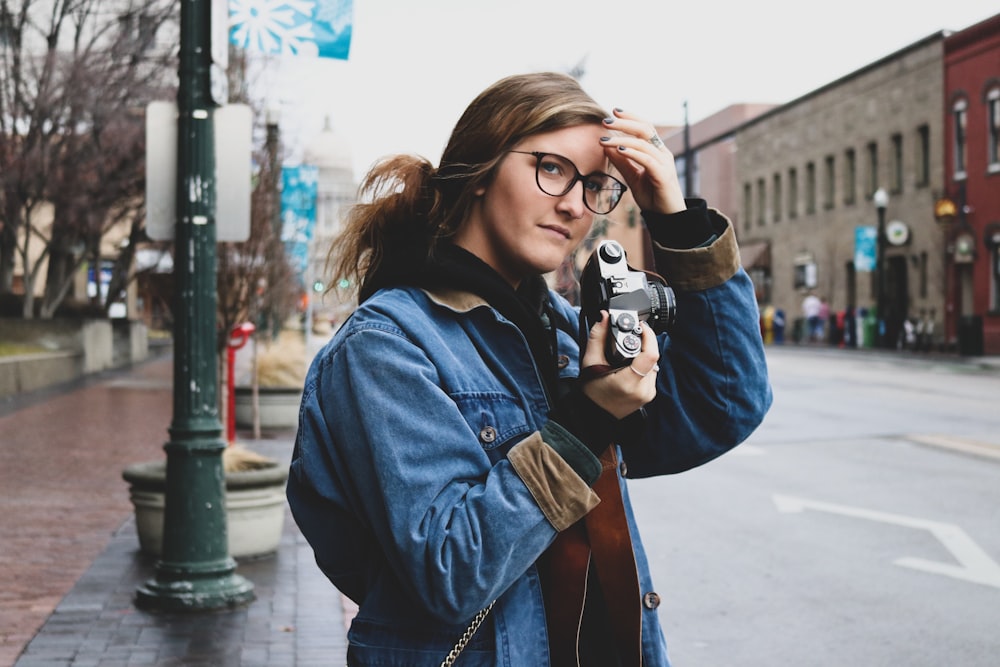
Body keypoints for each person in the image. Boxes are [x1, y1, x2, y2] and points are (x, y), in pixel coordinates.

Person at [287, 72, 772, 666]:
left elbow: (724, 407)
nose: (573, 204)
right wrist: (586, 424)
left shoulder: (563, 330)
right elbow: (450, 571)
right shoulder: (386, 346)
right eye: (550, 168)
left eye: (596, 185)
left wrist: (675, 223)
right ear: (481, 171)